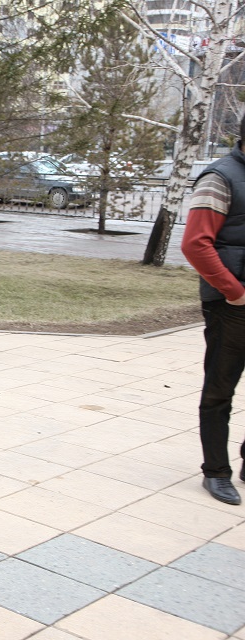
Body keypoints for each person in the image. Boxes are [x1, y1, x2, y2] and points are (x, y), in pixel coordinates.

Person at [181, 113, 245, 506]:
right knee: (221, 389)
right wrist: (233, 291)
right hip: (232, 306)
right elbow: (195, 243)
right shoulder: (220, 177)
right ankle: (217, 472)